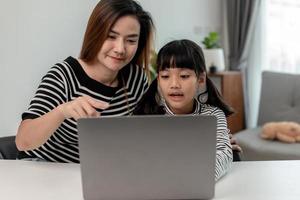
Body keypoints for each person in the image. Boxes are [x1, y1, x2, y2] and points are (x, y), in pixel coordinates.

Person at [15, 0, 154, 163]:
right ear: (95, 33)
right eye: (111, 36)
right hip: (44, 167)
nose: (120, 49)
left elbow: (141, 138)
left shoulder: (136, 79)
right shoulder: (64, 75)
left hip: (97, 172)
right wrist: (63, 111)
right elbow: (23, 141)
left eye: (131, 40)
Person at [133, 39, 234, 180]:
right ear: (158, 81)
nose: (174, 84)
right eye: (165, 76)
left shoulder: (213, 115)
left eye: (184, 76)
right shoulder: (149, 116)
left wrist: (199, 178)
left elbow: (224, 154)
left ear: (201, 79)